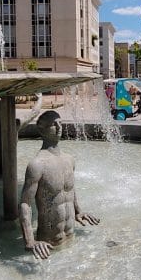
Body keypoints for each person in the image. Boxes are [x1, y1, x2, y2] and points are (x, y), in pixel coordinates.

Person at [19, 111, 100, 259]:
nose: (59, 127)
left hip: (71, 237)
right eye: (53, 124)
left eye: (60, 123)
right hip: (48, 245)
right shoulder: (37, 165)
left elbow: (69, 189)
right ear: (41, 129)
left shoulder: (69, 159)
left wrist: (78, 211)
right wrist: (30, 240)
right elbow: (25, 204)